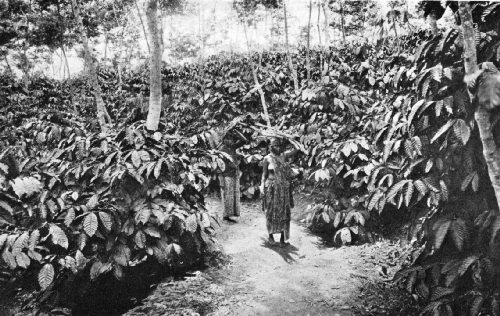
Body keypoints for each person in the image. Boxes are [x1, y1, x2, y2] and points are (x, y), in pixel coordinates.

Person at [260, 138, 298, 246]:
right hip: (271, 188)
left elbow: (297, 149)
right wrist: (262, 185)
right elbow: (264, 174)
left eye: (278, 145)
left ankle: (282, 238)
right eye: (274, 146)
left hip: (283, 188)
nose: (277, 148)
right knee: (271, 211)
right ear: (270, 147)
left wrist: (288, 138)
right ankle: (271, 236)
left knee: (284, 212)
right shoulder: (267, 159)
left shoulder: (284, 156)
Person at [219, 136, 242, 221]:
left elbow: (244, 141)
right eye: (229, 139)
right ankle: (226, 215)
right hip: (226, 174)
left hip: (233, 173)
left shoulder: (232, 147)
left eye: (232, 139)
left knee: (233, 194)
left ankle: (231, 213)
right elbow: (225, 162)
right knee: (227, 194)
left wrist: (236, 132)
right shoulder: (222, 149)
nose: (231, 140)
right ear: (224, 139)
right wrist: (234, 165)